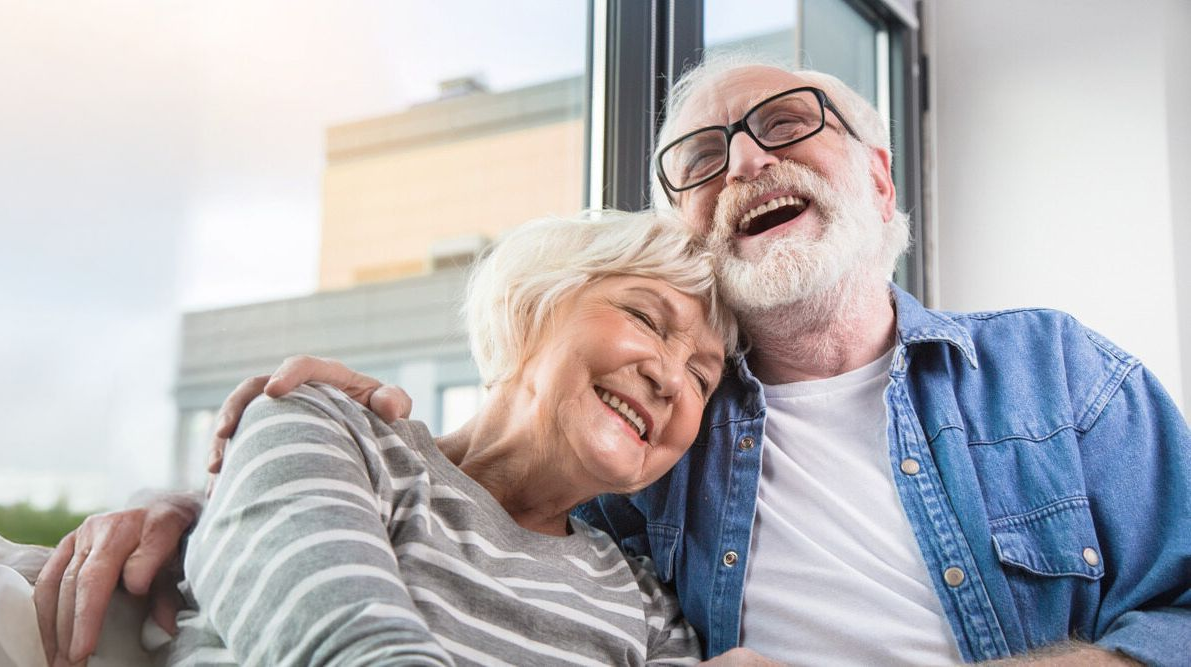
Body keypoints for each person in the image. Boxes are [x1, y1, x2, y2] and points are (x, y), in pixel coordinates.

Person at [38, 58, 1191, 665]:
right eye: (702, 156)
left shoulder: (1055, 373)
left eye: (788, 123)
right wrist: (204, 502)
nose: (743, 162)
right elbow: (444, 512)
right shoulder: (647, 487)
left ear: (882, 181)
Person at [169, 210, 743, 665]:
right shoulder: (325, 427)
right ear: (529, 309)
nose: (670, 378)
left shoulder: (649, 613)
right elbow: (352, 650)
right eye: (644, 318)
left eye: (701, 377)